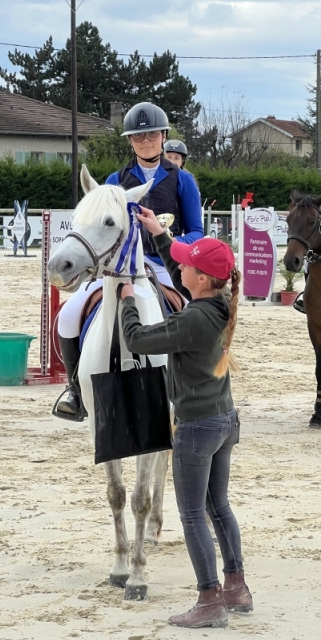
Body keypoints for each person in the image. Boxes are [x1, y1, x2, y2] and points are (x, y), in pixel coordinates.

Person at [118, 209, 252, 628]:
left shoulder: (193, 319)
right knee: (219, 506)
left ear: (203, 278)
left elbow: (137, 340)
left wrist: (127, 303)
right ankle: (236, 587)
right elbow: (180, 260)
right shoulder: (217, 303)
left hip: (196, 426)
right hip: (224, 419)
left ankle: (209, 599)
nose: (179, 266)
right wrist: (160, 234)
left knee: (193, 514)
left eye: (187, 266)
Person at [54, 102, 203, 421]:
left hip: (164, 265)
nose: (146, 141)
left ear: (163, 136)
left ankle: (190, 391)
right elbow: (94, 226)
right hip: (115, 266)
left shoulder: (182, 180)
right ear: (130, 142)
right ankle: (76, 392)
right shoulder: (114, 180)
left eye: (152, 135)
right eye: (139, 137)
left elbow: (197, 232)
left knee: (193, 313)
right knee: (67, 316)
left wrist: (170, 240)